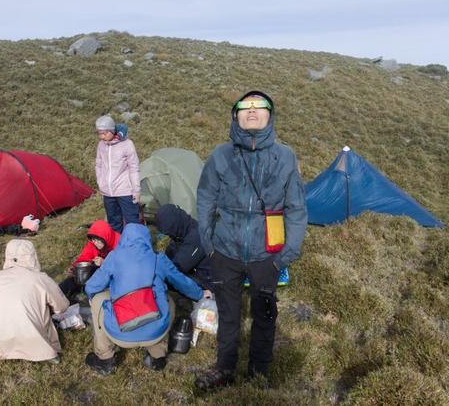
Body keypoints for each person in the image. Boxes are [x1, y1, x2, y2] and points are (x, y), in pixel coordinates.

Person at [195, 91, 308, 389]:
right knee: (229, 316)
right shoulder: (220, 154)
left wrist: (286, 254)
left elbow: (296, 207)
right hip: (225, 254)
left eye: (260, 106)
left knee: (265, 315)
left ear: (271, 115)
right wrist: (209, 244)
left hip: (266, 256)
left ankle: (258, 373)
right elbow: (205, 197)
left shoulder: (285, 156)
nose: (252, 111)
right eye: (245, 107)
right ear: (236, 116)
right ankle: (225, 368)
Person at [84, 223, 210, 374]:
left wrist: (95, 294)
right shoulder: (158, 258)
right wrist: (200, 293)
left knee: (98, 299)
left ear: (124, 238)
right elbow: (181, 282)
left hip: (120, 333)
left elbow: (92, 286)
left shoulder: (113, 257)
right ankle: (157, 356)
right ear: (147, 240)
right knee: (167, 299)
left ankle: (105, 358)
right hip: (155, 331)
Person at [0, 239, 69, 363]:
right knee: (42, 310)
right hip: (32, 337)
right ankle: (45, 353)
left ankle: (0, 352)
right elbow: (61, 307)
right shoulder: (41, 278)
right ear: (32, 256)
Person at [94, 115, 141, 233]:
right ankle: (117, 247)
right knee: (114, 223)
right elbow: (98, 165)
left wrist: (136, 190)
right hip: (108, 193)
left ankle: (135, 248)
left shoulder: (127, 144)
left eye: (104, 133)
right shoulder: (101, 145)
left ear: (111, 131)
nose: (101, 136)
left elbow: (134, 168)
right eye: (99, 133)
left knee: (132, 222)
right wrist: (101, 183)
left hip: (125, 191)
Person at [155, 204, 212, 290]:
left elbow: (178, 267)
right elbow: (170, 253)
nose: (168, 235)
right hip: (194, 272)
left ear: (174, 225)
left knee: (168, 279)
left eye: (169, 232)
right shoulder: (181, 232)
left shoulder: (197, 236)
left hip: (208, 281)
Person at [58, 220, 120, 299]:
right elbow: (84, 256)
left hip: (114, 276)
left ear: (105, 237)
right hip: (99, 270)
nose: (95, 243)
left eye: (97, 240)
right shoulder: (93, 244)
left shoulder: (119, 243)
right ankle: (56, 295)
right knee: (75, 277)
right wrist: (74, 268)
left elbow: (123, 267)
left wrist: (105, 263)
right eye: (93, 240)